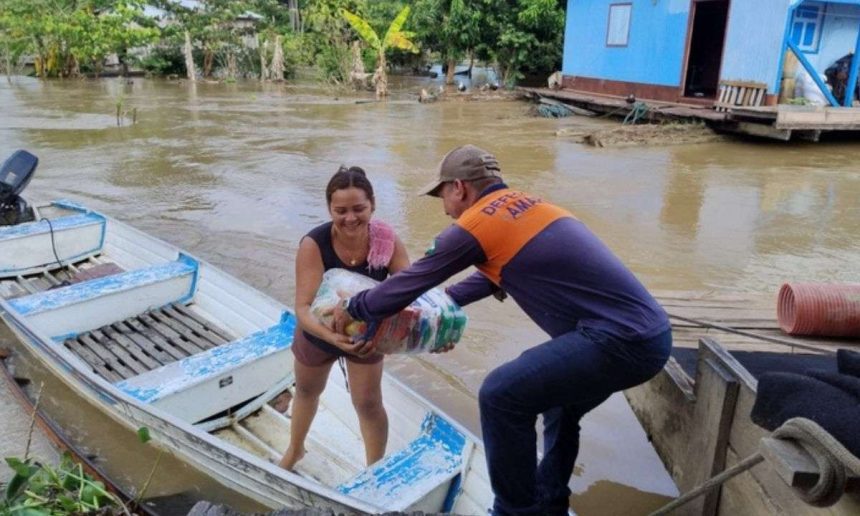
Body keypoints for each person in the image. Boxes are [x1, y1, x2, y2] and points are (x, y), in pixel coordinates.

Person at [332, 145, 672, 515]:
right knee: (560, 404)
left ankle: (513, 512)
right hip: (653, 338)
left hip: (617, 341)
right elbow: (488, 278)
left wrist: (355, 307)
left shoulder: (474, 224)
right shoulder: (531, 206)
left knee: (500, 395)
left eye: (442, 195)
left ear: (459, 187)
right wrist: (440, 309)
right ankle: (550, 504)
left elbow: (410, 282)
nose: (445, 207)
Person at [279, 165, 410, 471]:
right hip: (317, 332)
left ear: (373, 205)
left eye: (359, 209)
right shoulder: (314, 244)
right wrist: (331, 336)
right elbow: (302, 307)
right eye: (340, 210)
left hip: (367, 337)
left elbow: (409, 292)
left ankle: (374, 469)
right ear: (329, 209)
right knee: (307, 392)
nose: (350, 218)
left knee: (368, 404)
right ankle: (294, 451)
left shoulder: (387, 241)